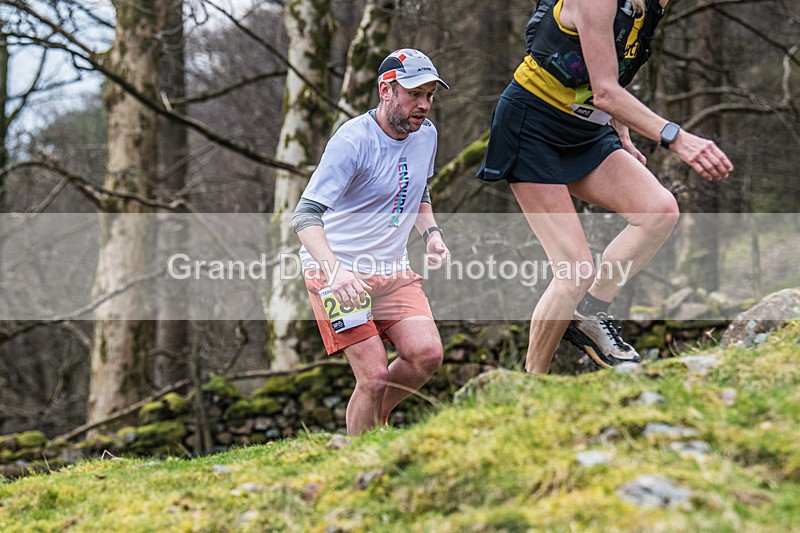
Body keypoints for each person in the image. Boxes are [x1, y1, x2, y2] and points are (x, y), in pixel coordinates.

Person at [477, 0, 733, 373]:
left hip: (588, 128)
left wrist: (622, 130)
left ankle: (591, 314)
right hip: (532, 125)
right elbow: (606, 91)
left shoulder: (650, 7)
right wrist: (676, 138)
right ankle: (531, 384)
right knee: (574, 271)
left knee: (658, 211)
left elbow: (608, 72)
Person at [293, 49, 450, 433]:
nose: (424, 105)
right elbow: (305, 216)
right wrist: (336, 273)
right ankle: (358, 458)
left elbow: (418, 190)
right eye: (415, 94)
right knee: (374, 376)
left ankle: (375, 419)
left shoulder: (425, 134)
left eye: (429, 95)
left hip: (391, 268)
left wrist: (430, 234)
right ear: (386, 89)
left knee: (425, 355)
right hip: (336, 272)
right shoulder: (352, 142)